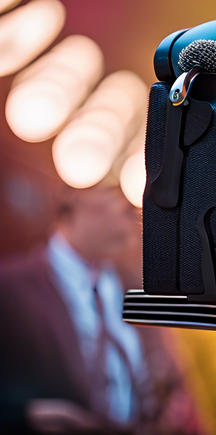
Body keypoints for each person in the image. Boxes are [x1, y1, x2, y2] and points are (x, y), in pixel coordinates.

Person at [0, 182, 204, 434]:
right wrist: (23, 417)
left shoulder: (139, 286)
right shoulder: (9, 291)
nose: (134, 208)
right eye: (116, 191)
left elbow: (173, 384)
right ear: (73, 194)